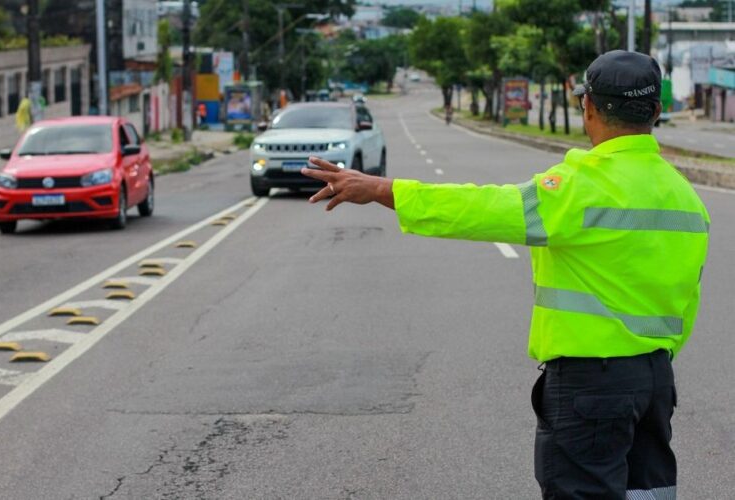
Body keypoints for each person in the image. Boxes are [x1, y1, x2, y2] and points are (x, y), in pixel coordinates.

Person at [300, 50, 709, 499]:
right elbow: (687, 296)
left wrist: (380, 188)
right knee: (650, 495)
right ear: (656, 111)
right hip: (654, 383)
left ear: (587, 108)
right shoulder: (686, 197)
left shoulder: (579, 187)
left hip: (591, 385)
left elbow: (481, 209)